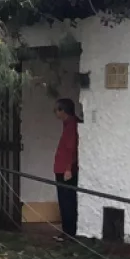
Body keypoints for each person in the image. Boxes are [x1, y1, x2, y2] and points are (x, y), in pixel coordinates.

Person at [54, 98, 80, 241]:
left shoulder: (71, 126)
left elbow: (72, 149)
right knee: (64, 200)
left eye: (56, 110)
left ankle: (69, 232)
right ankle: (67, 231)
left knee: (67, 200)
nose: (55, 113)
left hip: (66, 170)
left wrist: (68, 168)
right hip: (62, 168)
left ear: (63, 111)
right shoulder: (68, 125)